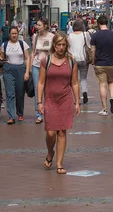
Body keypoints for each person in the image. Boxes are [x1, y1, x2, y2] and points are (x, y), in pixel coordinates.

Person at [37, 33, 80, 175]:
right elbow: (41, 82)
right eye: (58, 45)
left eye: (63, 45)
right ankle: (50, 152)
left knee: (61, 131)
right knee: (50, 133)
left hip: (65, 100)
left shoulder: (71, 61)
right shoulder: (46, 60)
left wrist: (77, 102)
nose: (61, 48)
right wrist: (39, 102)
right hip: (50, 100)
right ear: (54, 45)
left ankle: (59, 163)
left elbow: (74, 83)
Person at [90, 15, 113, 116]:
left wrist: (93, 61)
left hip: (99, 63)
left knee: (102, 85)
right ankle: (112, 97)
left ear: (99, 24)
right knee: (111, 81)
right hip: (111, 63)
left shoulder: (95, 36)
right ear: (107, 23)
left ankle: (104, 109)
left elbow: (92, 50)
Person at [29, 18, 55, 124]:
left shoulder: (52, 37)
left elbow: (54, 51)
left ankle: (49, 112)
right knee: (37, 89)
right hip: (36, 65)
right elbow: (34, 51)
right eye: (36, 25)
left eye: (39, 25)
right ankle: (39, 114)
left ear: (45, 26)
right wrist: (30, 66)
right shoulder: (35, 36)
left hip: (48, 65)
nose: (37, 27)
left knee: (49, 89)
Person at [3, 26, 30, 124]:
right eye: (12, 33)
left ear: (18, 34)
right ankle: (11, 116)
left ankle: (20, 113)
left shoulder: (23, 44)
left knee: (20, 93)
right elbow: (2, 57)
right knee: (10, 93)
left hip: (20, 69)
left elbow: (27, 58)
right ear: (9, 34)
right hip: (8, 69)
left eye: (15, 33)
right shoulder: (5, 45)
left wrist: (27, 72)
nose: (14, 35)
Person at [68, 19, 91, 104]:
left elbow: (68, 48)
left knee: (74, 80)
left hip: (73, 59)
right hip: (83, 58)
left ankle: (76, 98)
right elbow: (89, 45)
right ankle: (84, 92)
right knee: (83, 78)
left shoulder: (70, 36)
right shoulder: (86, 34)